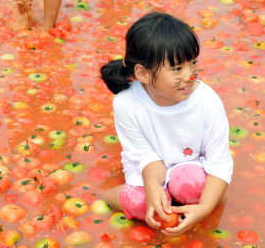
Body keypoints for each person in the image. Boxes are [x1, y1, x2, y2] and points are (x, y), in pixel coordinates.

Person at [100, 12, 233, 235]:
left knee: (199, 190)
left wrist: (205, 208)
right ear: (142, 73)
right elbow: (144, 155)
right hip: (148, 170)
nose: (190, 76)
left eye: (192, 63)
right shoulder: (126, 103)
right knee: (141, 204)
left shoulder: (207, 102)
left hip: (190, 166)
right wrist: (152, 186)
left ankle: (196, 199)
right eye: (177, 69)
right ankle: (113, 194)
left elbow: (218, 162)